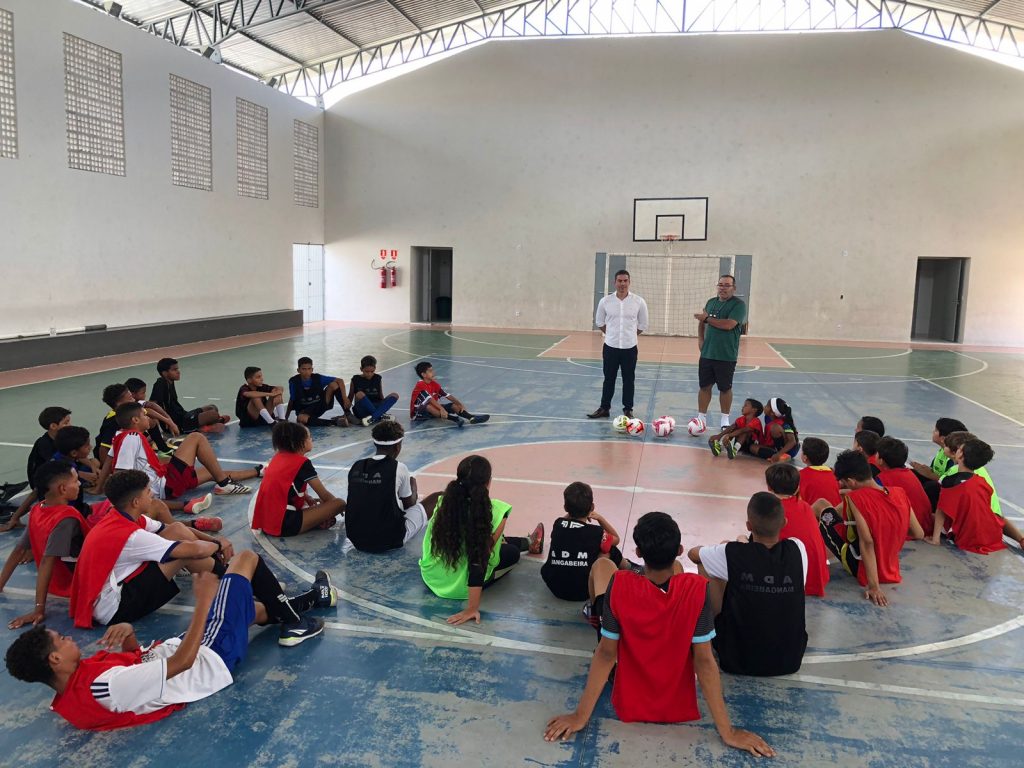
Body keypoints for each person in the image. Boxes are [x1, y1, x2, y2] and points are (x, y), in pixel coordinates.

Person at [544, 511, 774, 757]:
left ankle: (595, 613)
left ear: (639, 553)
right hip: (675, 704)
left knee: (602, 565)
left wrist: (580, 716)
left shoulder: (619, 584)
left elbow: (605, 655)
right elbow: (705, 661)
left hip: (629, 700)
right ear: (680, 549)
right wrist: (727, 732)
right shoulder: (697, 591)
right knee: (676, 577)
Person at [5, 561, 333, 731]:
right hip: (207, 655)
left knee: (253, 611)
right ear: (55, 659)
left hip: (194, 653)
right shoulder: (106, 685)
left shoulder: (74, 691)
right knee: (245, 562)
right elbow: (180, 664)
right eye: (62, 640)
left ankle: (312, 599)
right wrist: (203, 602)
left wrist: (129, 637)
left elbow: (133, 679)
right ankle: (297, 625)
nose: (69, 638)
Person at [68, 470, 237, 628]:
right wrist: (219, 545)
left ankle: (222, 571)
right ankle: (230, 580)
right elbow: (194, 551)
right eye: (148, 491)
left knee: (176, 529)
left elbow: (173, 528)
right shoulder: (132, 535)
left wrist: (214, 541)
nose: (153, 494)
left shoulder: (121, 517)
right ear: (136, 502)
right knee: (183, 555)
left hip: (108, 591)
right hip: (114, 609)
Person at [688, 492, 808, 675]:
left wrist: (739, 544)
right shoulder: (797, 549)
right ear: (784, 523)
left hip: (736, 659)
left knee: (708, 562)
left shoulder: (734, 552)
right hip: (790, 660)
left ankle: (712, 631)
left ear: (749, 526)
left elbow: (693, 554)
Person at [419, 455, 541, 625]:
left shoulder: (443, 503)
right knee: (511, 553)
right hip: (462, 588)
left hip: (434, 576)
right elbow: (477, 563)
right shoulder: (498, 511)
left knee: (487, 539)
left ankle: (528, 541)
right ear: (488, 482)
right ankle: (529, 543)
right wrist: (472, 608)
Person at [812, 451, 924, 606]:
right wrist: (887, 531)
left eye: (843, 482)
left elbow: (867, 543)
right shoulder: (899, 492)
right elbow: (918, 533)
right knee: (835, 511)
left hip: (859, 565)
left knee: (820, 505)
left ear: (850, 481)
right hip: (890, 568)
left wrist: (874, 587)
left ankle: (802, 547)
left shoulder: (856, 499)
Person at [0, 462, 92, 629]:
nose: (79, 484)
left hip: (54, 584)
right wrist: (39, 609)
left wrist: (1, 584)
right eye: (76, 480)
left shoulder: (38, 509)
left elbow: (19, 549)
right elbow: (46, 561)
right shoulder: (67, 517)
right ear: (63, 489)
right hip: (73, 585)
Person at [110, 402, 257, 502]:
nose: (148, 417)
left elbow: (112, 462)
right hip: (165, 485)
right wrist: (142, 499)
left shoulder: (120, 435)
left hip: (164, 481)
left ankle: (258, 471)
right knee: (196, 437)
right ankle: (225, 485)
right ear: (135, 420)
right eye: (144, 415)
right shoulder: (132, 437)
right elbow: (120, 472)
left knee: (212, 471)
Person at [345, 420, 430, 552]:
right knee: (438, 498)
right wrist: (413, 484)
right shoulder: (399, 468)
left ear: (375, 443)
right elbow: (410, 504)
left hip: (355, 537)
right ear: (398, 446)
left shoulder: (356, 466)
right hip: (388, 539)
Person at [251, 421, 345, 537]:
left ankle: (314, 521)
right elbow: (324, 495)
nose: (312, 439)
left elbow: (285, 485)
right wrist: (337, 508)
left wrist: (307, 497)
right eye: (309, 437)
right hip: (284, 523)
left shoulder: (277, 458)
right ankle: (315, 521)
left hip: (267, 522)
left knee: (318, 507)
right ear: (300, 442)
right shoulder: (302, 463)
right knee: (339, 503)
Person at [930, 438, 1023, 552]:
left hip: (966, 536)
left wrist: (935, 539)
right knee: (996, 516)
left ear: (960, 456)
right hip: (991, 533)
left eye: (959, 449)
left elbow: (942, 509)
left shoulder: (949, 481)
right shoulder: (982, 481)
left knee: (929, 516)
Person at [540, 481, 625, 602]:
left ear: (565, 508)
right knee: (609, 548)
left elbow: (565, 521)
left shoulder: (557, 524)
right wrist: (600, 518)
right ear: (592, 507)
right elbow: (616, 539)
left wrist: (571, 512)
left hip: (554, 587)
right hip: (582, 591)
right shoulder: (596, 532)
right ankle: (628, 567)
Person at [588, 269, 649, 420]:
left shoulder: (638, 302)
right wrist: (612, 335)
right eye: (619, 281)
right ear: (614, 282)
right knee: (609, 378)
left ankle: (628, 409)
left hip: (630, 348)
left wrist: (629, 336)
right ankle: (604, 408)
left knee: (629, 380)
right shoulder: (605, 301)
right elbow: (600, 322)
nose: (622, 284)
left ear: (629, 282)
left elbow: (643, 324)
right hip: (610, 347)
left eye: (625, 281)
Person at [691, 274, 747, 434]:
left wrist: (707, 319)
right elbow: (702, 322)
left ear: (733, 288)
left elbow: (729, 325)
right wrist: (700, 340)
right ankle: (701, 418)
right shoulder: (711, 302)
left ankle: (724, 420)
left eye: (727, 285)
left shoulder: (739, 305)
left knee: (725, 388)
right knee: (704, 386)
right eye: (720, 285)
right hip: (708, 353)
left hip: (726, 355)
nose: (723, 288)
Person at [763, 464, 829, 597]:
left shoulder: (771, 510)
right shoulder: (805, 506)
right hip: (817, 577)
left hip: (790, 581)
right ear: (797, 487)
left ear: (769, 487)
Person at [875, 436, 935, 538]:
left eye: (876, 453)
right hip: (924, 525)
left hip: (910, 530)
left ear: (881, 460)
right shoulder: (909, 473)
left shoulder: (883, 479)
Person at [150, 357, 228, 433]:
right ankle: (203, 427)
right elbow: (152, 404)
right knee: (213, 415)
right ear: (165, 373)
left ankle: (208, 423)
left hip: (184, 415)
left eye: (177, 369)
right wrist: (167, 422)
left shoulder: (170, 382)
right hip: (178, 423)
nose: (178, 371)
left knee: (212, 407)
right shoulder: (160, 383)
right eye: (174, 370)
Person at [909, 417, 967, 509]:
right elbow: (933, 471)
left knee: (931, 487)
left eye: (936, 430)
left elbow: (952, 483)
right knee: (911, 474)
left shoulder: (956, 459)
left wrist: (930, 474)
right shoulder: (941, 451)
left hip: (949, 491)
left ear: (943, 439)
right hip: (939, 483)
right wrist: (923, 470)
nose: (933, 432)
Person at [410, 361, 489, 427]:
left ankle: (471, 418)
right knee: (429, 406)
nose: (433, 372)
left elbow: (447, 395)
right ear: (423, 375)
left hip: (432, 411)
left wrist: (459, 404)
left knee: (453, 406)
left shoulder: (434, 384)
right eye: (430, 371)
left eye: (432, 370)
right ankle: (455, 419)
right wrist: (442, 409)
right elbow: (430, 399)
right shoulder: (420, 385)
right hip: (419, 414)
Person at [286, 356, 353, 427]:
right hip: (305, 410)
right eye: (303, 369)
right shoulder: (294, 382)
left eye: (309, 369)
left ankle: (348, 414)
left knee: (334, 385)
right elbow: (292, 400)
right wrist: (286, 417)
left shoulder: (318, 378)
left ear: (312, 369)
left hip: (319, 405)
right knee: (301, 419)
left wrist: (345, 398)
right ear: (298, 370)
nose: (307, 371)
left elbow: (340, 380)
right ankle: (335, 422)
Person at [125, 377, 177, 453]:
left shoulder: (136, 402)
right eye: (143, 393)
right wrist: (169, 422)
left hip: (133, 431)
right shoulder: (130, 406)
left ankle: (151, 441)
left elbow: (151, 405)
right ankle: (159, 446)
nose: (145, 395)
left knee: (151, 422)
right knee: (151, 421)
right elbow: (148, 411)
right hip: (129, 434)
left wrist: (169, 419)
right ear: (133, 394)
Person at [348, 355, 400, 427]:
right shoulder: (355, 379)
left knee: (395, 395)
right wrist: (346, 413)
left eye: (372, 371)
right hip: (362, 410)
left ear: (375, 368)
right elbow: (350, 397)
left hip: (376, 406)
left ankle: (372, 418)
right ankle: (380, 416)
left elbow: (380, 395)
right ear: (361, 369)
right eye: (366, 371)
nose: (369, 374)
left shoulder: (378, 378)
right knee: (360, 394)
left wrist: (384, 405)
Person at [27, 407, 71, 485]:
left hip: (61, 468)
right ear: (53, 426)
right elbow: (57, 467)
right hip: (44, 479)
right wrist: (84, 475)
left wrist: (92, 466)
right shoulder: (43, 444)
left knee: (94, 463)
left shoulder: (66, 436)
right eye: (66, 423)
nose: (70, 425)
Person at [752, 397, 799, 462]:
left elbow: (792, 441)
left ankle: (782, 455)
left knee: (775, 428)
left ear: (772, 412)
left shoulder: (784, 423)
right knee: (752, 447)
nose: (764, 406)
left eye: (767, 406)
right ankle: (777, 455)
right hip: (775, 447)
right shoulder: (768, 417)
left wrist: (778, 454)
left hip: (789, 449)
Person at [797, 437, 841, 508]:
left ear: (805, 458)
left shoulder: (800, 475)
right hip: (835, 513)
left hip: (814, 515)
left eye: (802, 451)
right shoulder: (832, 473)